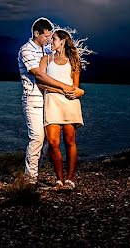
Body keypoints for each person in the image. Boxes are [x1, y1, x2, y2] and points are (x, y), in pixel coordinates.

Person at [17, 17, 79, 182]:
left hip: (50, 101)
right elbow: (39, 75)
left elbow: (59, 66)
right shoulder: (26, 50)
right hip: (34, 99)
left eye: (51, 37)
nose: (48, 39)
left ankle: (35, 174)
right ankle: (29, 179)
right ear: (36, 33)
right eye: (46, 36)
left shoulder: (46, 51)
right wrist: (64, 87)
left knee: (47, 141)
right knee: (37, 137)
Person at [39, 28, 85, 189]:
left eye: (54, 39)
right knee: (52, 142)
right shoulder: (46, 59)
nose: (51, 42)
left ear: (63, 41)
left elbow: (75, 87)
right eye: (50, 39)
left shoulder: (74, 60)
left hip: (69, 103)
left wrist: (78, 91)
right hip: (52, 103)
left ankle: (69, 180)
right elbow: (40, 82)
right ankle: (59, 179)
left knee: (70, 141)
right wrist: (60, 90)